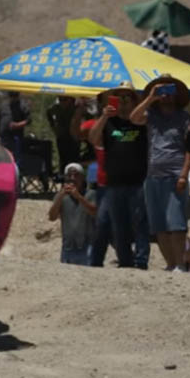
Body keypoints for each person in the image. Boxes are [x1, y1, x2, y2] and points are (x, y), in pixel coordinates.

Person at [129, 75, 190, 272]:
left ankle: (180, 264)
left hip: (175, 175)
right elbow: (134, 118)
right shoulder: (151, 115)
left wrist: (184, 174)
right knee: (158, 224)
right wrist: (150, 98)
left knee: (175, 223)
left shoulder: (184, 118)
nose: (166, 96)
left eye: (170, 92)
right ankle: (170, 264)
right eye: (162, 92)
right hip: (153, 176)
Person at [89, 83, 150, 269]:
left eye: (127, 98)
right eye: (119, 98)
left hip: (137, 181)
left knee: (140, 222)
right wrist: (105, 115)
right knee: (119, 224)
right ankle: (125, 261)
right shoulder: (109, 122)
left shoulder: (140, 121)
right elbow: (93, 138)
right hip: (114, 182)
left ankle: (141, 260)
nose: (123, 102)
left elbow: (145, 119)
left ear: (134, 101)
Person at [74, 96, 111, 267]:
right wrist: (79, 110)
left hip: (124, 179)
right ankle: (96, 260)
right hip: (100, 178)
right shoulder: (95, 122)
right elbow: (76, 133)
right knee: (100, 220)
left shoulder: (129, 122)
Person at [48, 163, 97, 266]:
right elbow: (52, 217)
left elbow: (94, 212)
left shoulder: (91, 194)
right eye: (69, 175)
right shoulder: (61, 196)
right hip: (67, 248)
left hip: (87, 247)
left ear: (82, 178)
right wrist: (60, 197)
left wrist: (79, 197)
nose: (72, 178)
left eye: (76, 175)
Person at [46, 96, 82, 177]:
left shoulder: (76, 107)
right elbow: (48, 112)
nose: (63, 102)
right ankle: (63, 177)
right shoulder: (56, 108)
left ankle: (75, 178)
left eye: (65, 100)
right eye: (60, 100)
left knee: (74, 160)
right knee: (63, 160)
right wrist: (53, 126)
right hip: (61, 136)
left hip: (74, 137)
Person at [0, 91, 30, 161]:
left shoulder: (22, 106)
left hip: (16, 137)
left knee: (15, 157)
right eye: (11, 96)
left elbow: (28, 120)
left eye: (15, 96)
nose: (13, 98)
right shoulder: (3, 105)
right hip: (3, 137)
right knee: (2, 156)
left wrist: (17, 125)